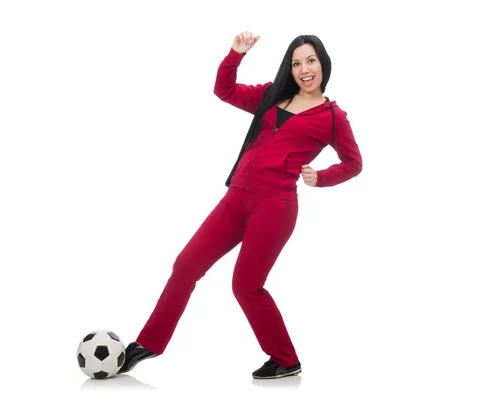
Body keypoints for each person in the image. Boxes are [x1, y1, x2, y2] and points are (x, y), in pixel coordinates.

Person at [118, 31, 363, 380]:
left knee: (245, 284)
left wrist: (321, 177)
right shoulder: (270, 96)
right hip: (235, 198)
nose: (304, 69)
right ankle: (149, 343)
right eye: (296, 63)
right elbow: (225, 90)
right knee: (186, 264)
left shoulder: (333, 117)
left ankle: (285, 358)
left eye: (311, 61)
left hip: (275, 206)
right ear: (289, 68)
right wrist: (235, 54)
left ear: (323, 64)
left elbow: (354, 163)